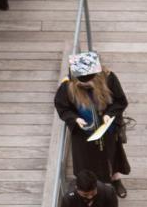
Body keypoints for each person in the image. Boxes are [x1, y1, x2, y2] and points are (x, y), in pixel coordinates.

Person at [56, 52, 133, 194]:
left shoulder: (109, 78)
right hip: (83, 131)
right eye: (82, 81)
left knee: (112, 154)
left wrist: (110, 114)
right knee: (86, 160)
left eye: (89, 80)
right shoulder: (67, 86)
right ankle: (91, 187)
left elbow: (120, 101)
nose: (86, 84)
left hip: (107, 128)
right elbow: (63, 107)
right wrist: (74, 118)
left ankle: (115, 179)